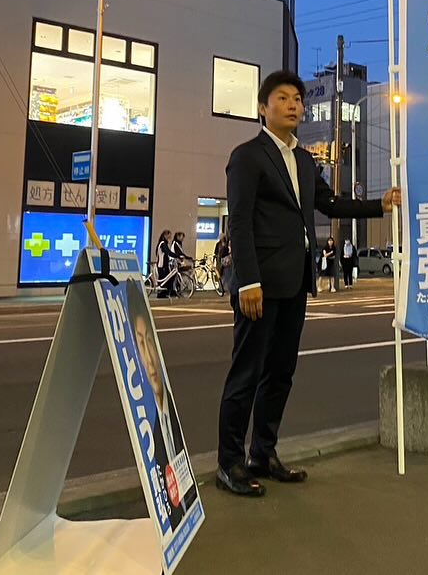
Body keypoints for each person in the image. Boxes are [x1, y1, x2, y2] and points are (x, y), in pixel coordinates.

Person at [217, 70, 400, 498]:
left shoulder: (302, 159)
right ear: (263, 108)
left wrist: (379, 205)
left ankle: (263, 454)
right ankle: (229, 462)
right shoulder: (247, 156)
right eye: (283, 98)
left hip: (296, 281)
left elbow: (328, 203)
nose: (294, 105)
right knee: (246, 373)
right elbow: (239, 222)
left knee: (281, 373)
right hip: (259, 285)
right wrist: (247, 281)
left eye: (298, 99)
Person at [126, 283, 198, 525]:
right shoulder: (150, 431)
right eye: (140, 344)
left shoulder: (170, 421)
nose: (149, 358)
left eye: (150, 341)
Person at [169, 231, 193, 296]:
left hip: (177, 262)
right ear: (178, 237)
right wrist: (188, 258)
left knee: (177, 277)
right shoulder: (175, 244)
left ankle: (177, 291)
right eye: (182, 237)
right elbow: (180, 253)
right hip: (173, 262)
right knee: (174, 277)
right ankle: (174, 291)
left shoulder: (178, 244)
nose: (182, 238)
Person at [154, 230, 172, 298]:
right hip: (162, 265)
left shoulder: (163, 243)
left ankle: (163, 293)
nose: (170, 237)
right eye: (169, 235)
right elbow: (168, 252)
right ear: (165, 235)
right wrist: (177, 256)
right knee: (163, 279)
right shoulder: (163, 244)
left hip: (164, 264)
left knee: (165, 279)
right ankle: (160, 294)